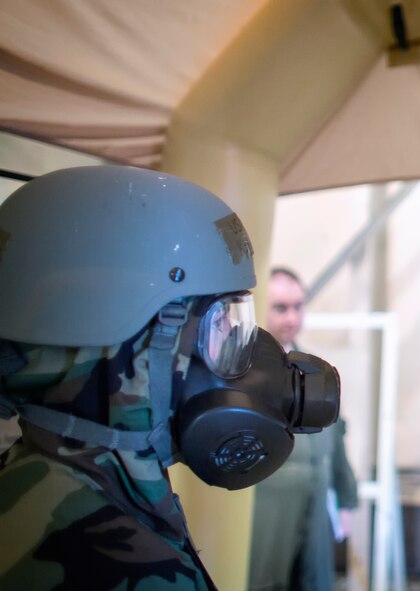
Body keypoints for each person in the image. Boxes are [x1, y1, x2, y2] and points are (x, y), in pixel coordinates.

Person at [0, 165, 340, 590]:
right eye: (217, 324)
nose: (239, 356)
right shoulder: (121, 564)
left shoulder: (40, 482)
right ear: (130, 344)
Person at [248, 267, 359, 591]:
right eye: (281, 307)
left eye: (298, 306)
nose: (292, 316)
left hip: (314, 500)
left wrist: (346, 494)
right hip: (265, 506)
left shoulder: (314, 372)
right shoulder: (241, 371)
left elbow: (335, 434)